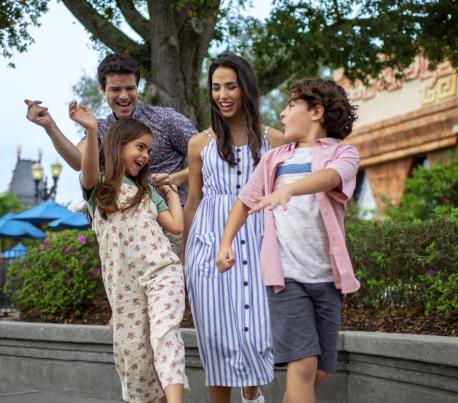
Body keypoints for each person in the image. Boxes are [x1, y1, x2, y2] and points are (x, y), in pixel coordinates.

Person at [216, 79, 361, 403]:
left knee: (321, 368)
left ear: (316, 111)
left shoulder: (344, 153)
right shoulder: (274, 159)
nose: (281, 114)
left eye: (290, 106)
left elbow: (332, 178)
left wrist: (290, 189)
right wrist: (226, 243)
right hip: (286, 280)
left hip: (328, 280)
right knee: (303, 363)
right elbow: (244, 201)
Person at [70, 103, 189, 403]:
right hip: (124, 287)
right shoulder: (99, 188)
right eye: (140, 147)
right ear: (118, 145)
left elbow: (176, 226)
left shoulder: (147, 192)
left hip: (163, 273)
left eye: (149, 150)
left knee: (165, 337)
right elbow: (87, 170)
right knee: (133, 353)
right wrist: (92, 129)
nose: (146, 155)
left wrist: (172, 192)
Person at [183, 53, 284, 403]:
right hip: (210, 245)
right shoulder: (199, 144)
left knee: (258, 330)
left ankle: (252, 394)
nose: (222, 94)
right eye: (215, 87)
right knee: (216, 334)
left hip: (260, 241)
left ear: (246, 88)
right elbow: (193, 201)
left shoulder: (275, 139)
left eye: (230, 86)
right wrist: (184, 258)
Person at [24, 52, 198, 205]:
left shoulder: (166, 119)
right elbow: (78, 162)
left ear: (138, 87)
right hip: (122, 226)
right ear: (103, 89)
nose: (124, 96)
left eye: (130, 88)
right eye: (115, 89)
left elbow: (210, 156)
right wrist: (50, 126)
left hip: (170, 220)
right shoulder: (99, 127)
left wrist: (175, 179)